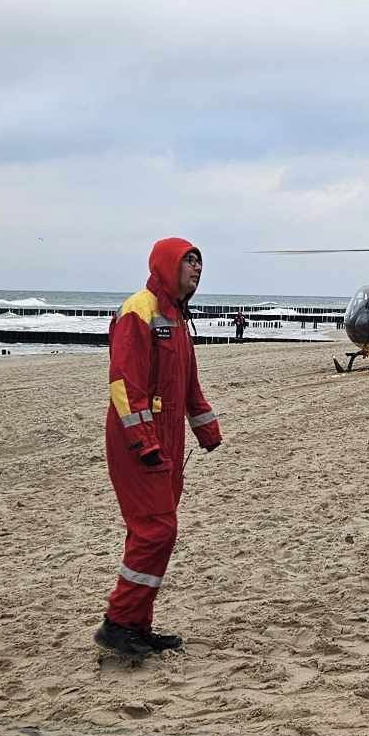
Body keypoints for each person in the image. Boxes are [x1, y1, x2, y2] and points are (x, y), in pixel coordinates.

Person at [95, 239, 223, 658]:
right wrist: (144, 441)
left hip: (168, 440)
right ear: (167, 265)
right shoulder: (139, 310)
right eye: (189, 261)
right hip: (139, 442)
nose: (196, 269)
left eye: (200, 263)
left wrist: (206, 428)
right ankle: (118, 622)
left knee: (153, 533)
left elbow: (188, 384)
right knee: (157, 530)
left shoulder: (178, 320)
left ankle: (137, 625)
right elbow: (124, 384)